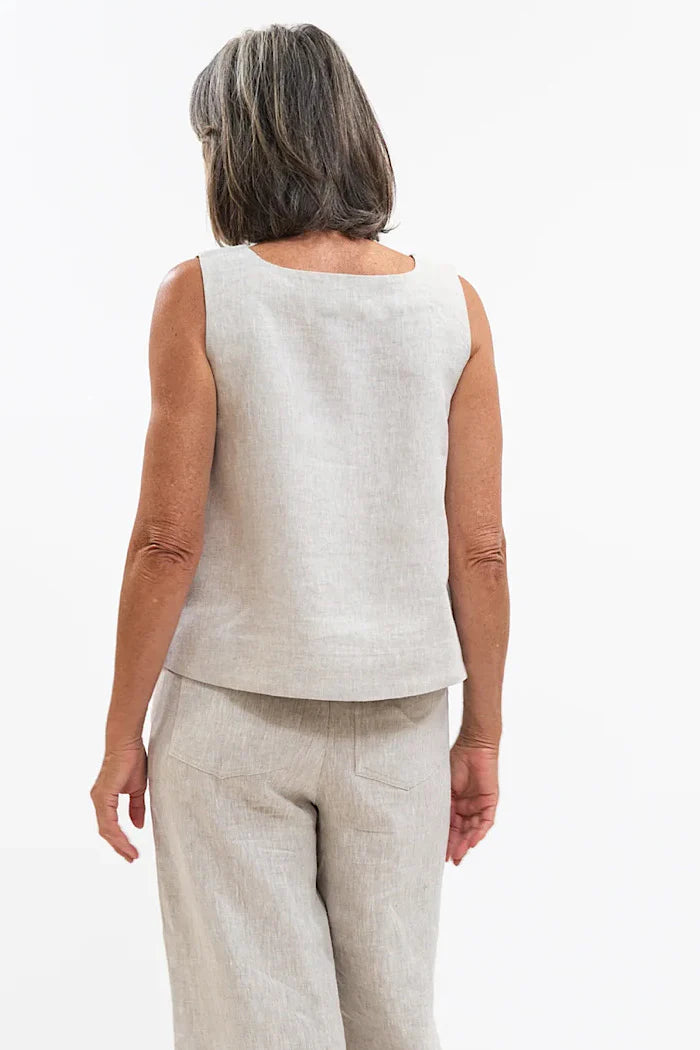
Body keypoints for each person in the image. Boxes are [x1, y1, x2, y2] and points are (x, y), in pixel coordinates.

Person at [90, 22, 509, 1050]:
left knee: (255, 1030)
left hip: (230, 720)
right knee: (391, 1024)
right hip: (398, 723)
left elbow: (166, 543)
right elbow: (481, 550)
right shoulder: (451, 306)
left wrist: (119, 738)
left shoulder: (204, 294)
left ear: (234, 147)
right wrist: (481, 734)